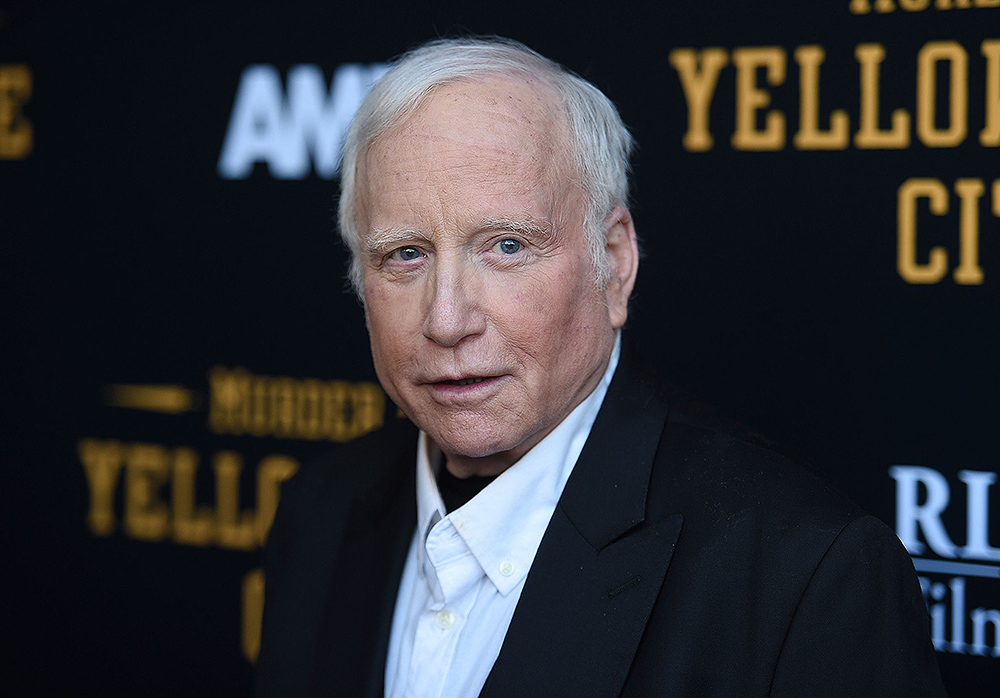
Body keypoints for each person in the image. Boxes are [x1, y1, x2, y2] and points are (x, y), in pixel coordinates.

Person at [255, 37, 946, 698]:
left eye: (505, 246)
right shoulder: (318, 514)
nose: (447, 319)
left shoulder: (803, 575)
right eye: (405, 254)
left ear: (613, 264)